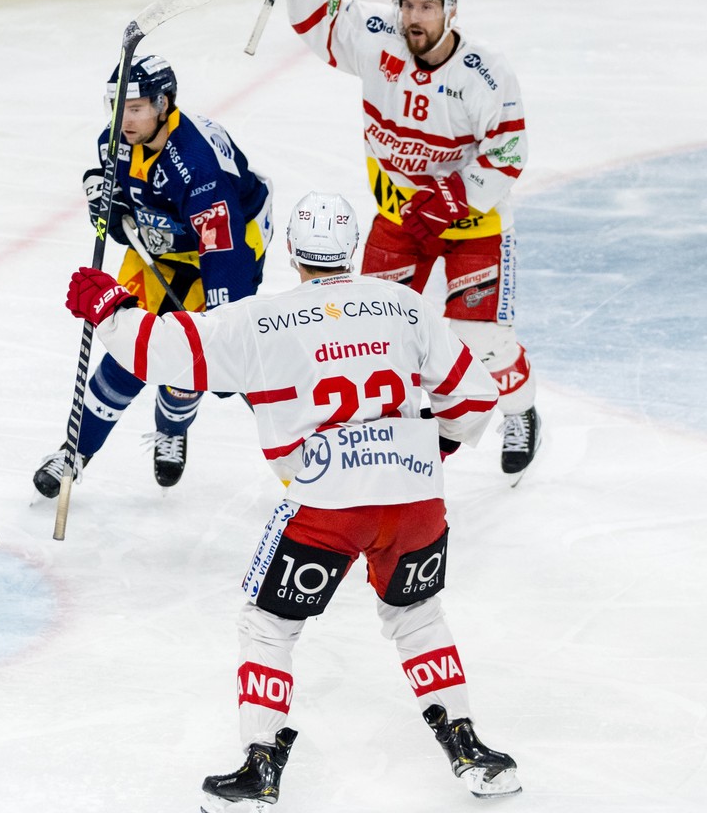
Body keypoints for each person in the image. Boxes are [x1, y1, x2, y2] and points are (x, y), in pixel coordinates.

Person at [64, 193, 520, 808]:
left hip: (326, 502)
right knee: (419, 619)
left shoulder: (260, 321)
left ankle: (260, 768)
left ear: (291, 254)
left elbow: (163, 351)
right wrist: (420, 452)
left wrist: (108, 307)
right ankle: (471, 752)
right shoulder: (404, 305)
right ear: (353, 248)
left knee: (269, 625)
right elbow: (476, 399)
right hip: (415, 498)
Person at [283, 0, 540, 483]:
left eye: (427, 6)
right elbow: (320, 23)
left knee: (481, 341)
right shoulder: (379, 39)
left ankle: (519, 412)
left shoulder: (485, 72)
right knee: (372, 329)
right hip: (401, 216)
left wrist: (453, 200)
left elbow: (509, 153)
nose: (413, 17)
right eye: (408, 4)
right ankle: (387, 438)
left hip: (475, 222)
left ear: (451, 10)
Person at [34, 54, 274, 497]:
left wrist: (225, 339)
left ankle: (173, 427)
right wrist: (102, 194)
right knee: (130, 351)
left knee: (190, 359)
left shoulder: (199, 169)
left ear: (164, 104)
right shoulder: (118, 138)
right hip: (162, 249)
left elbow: (223, 249)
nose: (123, 119)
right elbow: (115, 180)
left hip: (227, 249)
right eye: (117, 106)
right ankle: (75, 451)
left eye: (136, 107)